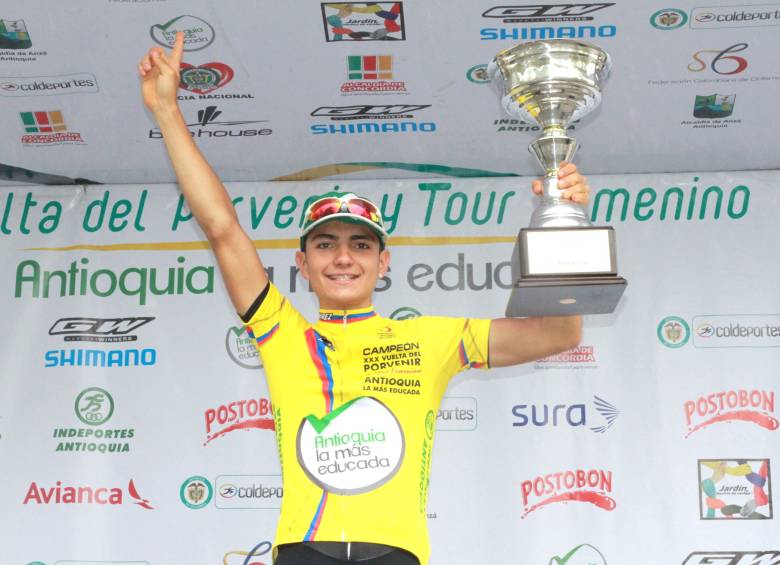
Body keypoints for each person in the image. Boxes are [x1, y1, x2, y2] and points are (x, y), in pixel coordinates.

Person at [139, 33, 591, 565]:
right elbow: (221, 228)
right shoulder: (282, 332)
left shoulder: (432, 338)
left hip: (396, 553)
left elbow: (561, 331)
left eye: (360, 245)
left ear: (383, 262)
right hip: (304, 548)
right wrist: (167, 111)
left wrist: (567, 219)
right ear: (303, 265)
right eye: (325, 245)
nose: (343, 258)